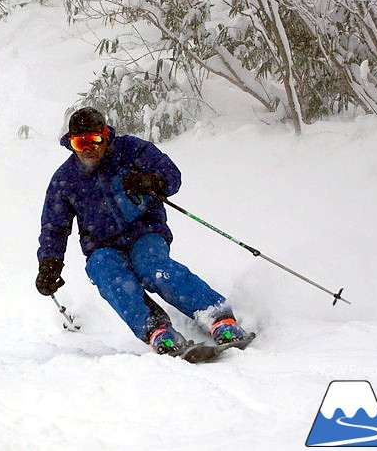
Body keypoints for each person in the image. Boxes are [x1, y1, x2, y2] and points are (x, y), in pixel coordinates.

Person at [35, 107, 252, 355]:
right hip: (102, 246)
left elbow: (172, 175)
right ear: (70, 144)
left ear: (105, 136)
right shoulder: (65, 179)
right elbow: (54, 227)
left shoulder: (131, 150)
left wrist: (150, 180)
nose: (88, 149)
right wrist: (49, 263)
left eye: (93, 140)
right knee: (108, 275)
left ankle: (218, 318)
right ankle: (158, 330)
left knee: (150, 266)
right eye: (79, 142)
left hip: (145, 230)